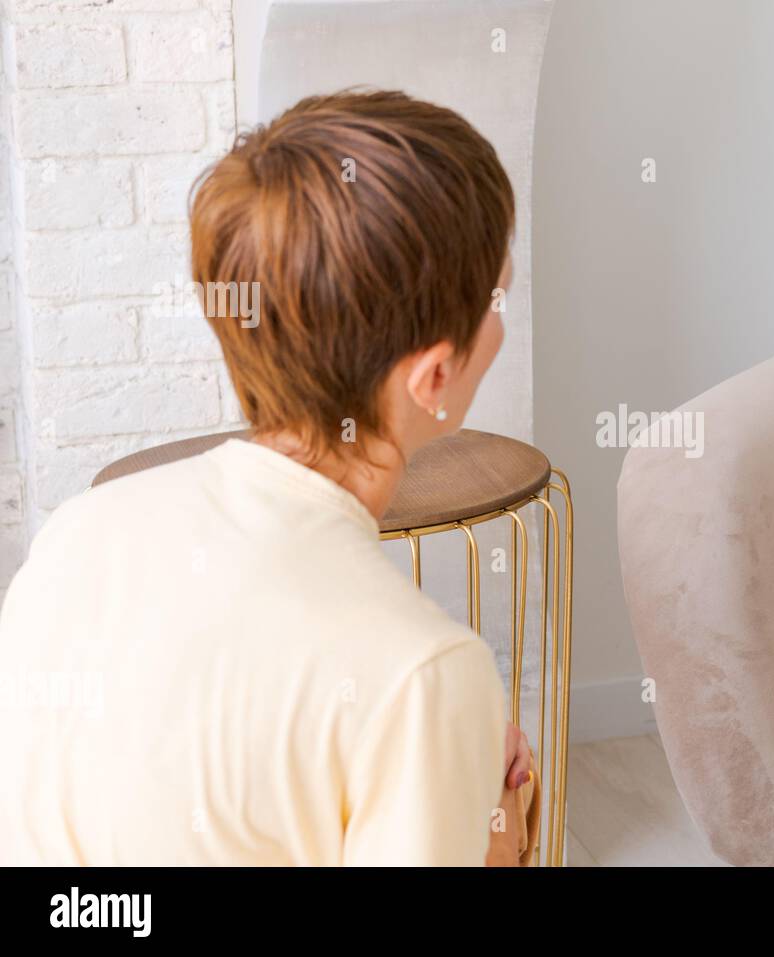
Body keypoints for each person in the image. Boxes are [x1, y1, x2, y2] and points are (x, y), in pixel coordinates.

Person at [0, 90, 530, 865]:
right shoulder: (420, 670)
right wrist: (498, 823)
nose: (502, 325)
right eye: (496, 301)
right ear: (435, 376)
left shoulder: (78, 531)